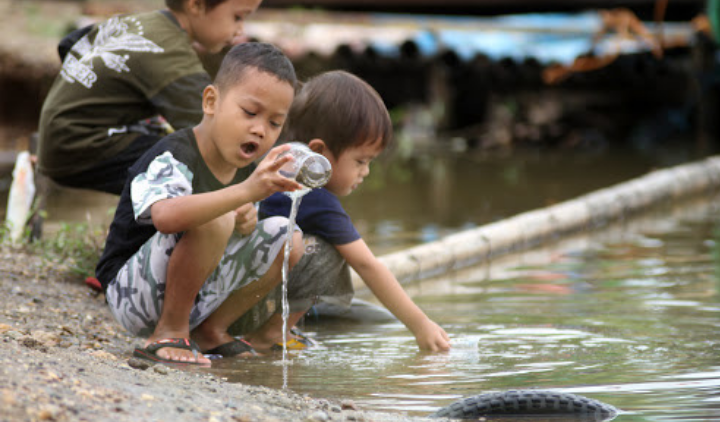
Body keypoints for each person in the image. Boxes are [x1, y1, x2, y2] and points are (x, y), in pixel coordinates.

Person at [95, 42, 303, 365]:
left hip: (194, 294)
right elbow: (164, 216)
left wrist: (246, 219)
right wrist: (243, 195)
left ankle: (210, 330)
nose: (260, 130)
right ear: (211, 102)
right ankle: (168, 332)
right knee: (215, 217)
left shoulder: (246, 170)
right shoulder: (175, 153)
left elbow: (236, 227)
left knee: (289, 237)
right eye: (250, 113)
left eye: (274, 123)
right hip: (132, 294)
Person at [257, 71, 452, 352]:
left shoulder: (277, 161)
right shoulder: (315, 197)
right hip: (246, 286)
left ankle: (277, 325)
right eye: (360, 161)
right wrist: (420, 325)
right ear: (319, 152)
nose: (366, 172)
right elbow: (367, 265)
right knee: (329, 253)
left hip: (237, 281)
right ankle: (272, 333)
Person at [37, 0, 264, 195]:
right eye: (237, 17)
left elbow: (69, 43)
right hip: (82, 144)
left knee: (169, 140)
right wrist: (257, 185)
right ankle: (135, 239)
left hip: (59, 138)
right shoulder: (170, 54)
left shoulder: (137, 23)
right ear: (196, 4)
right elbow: (215, 130)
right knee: (192, 164)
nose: (240, 30)